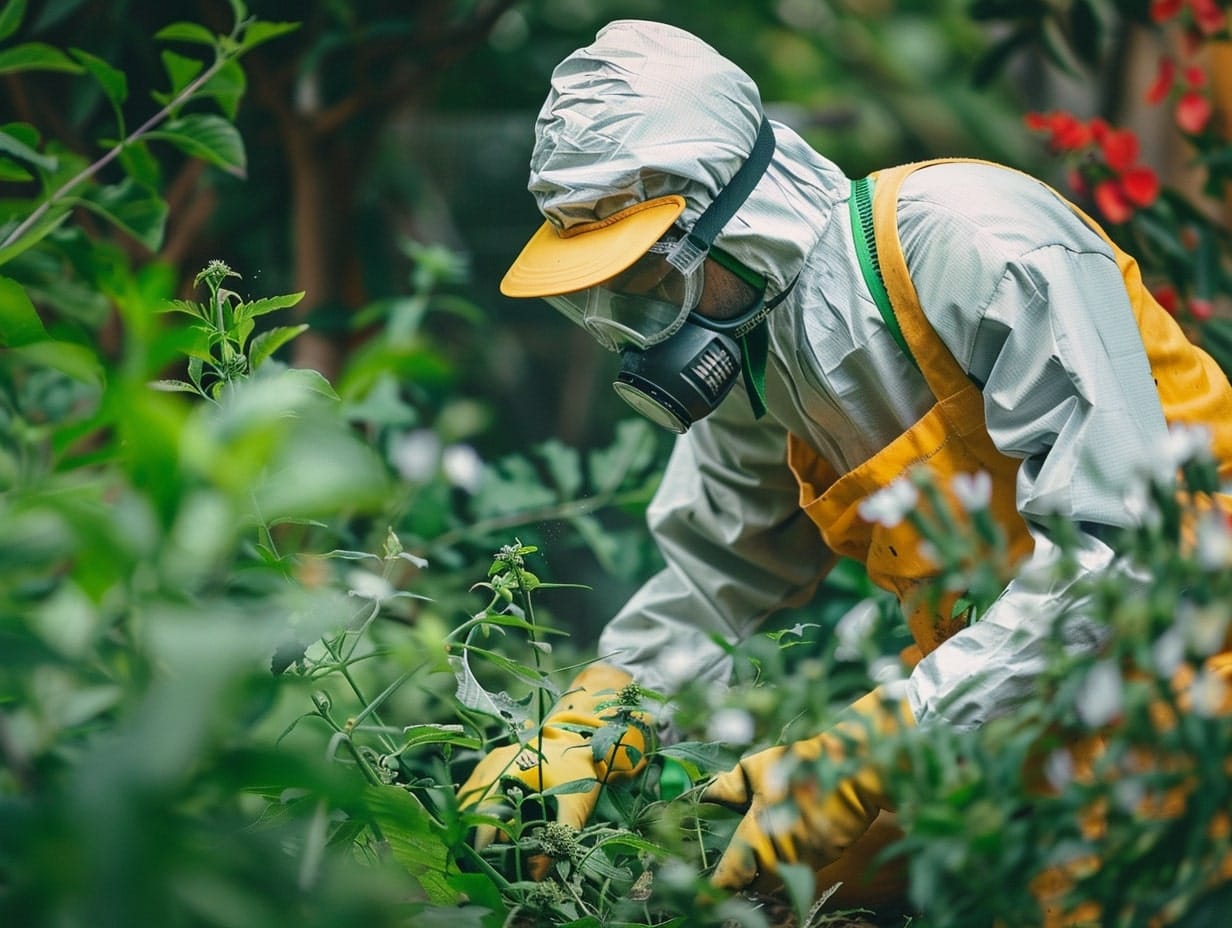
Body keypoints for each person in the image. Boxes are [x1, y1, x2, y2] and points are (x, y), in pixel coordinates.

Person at [457, 18, 1232, 911]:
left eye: (644, 277)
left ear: (737, 217)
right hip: (996, 707)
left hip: (1187, 675)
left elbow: (1120, 553)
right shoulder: (752, 340)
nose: (631, 315)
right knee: (762, 892)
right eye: (604, 292)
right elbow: (719, 571)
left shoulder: (975, 244)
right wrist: (601, 714)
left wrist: (873, 751)